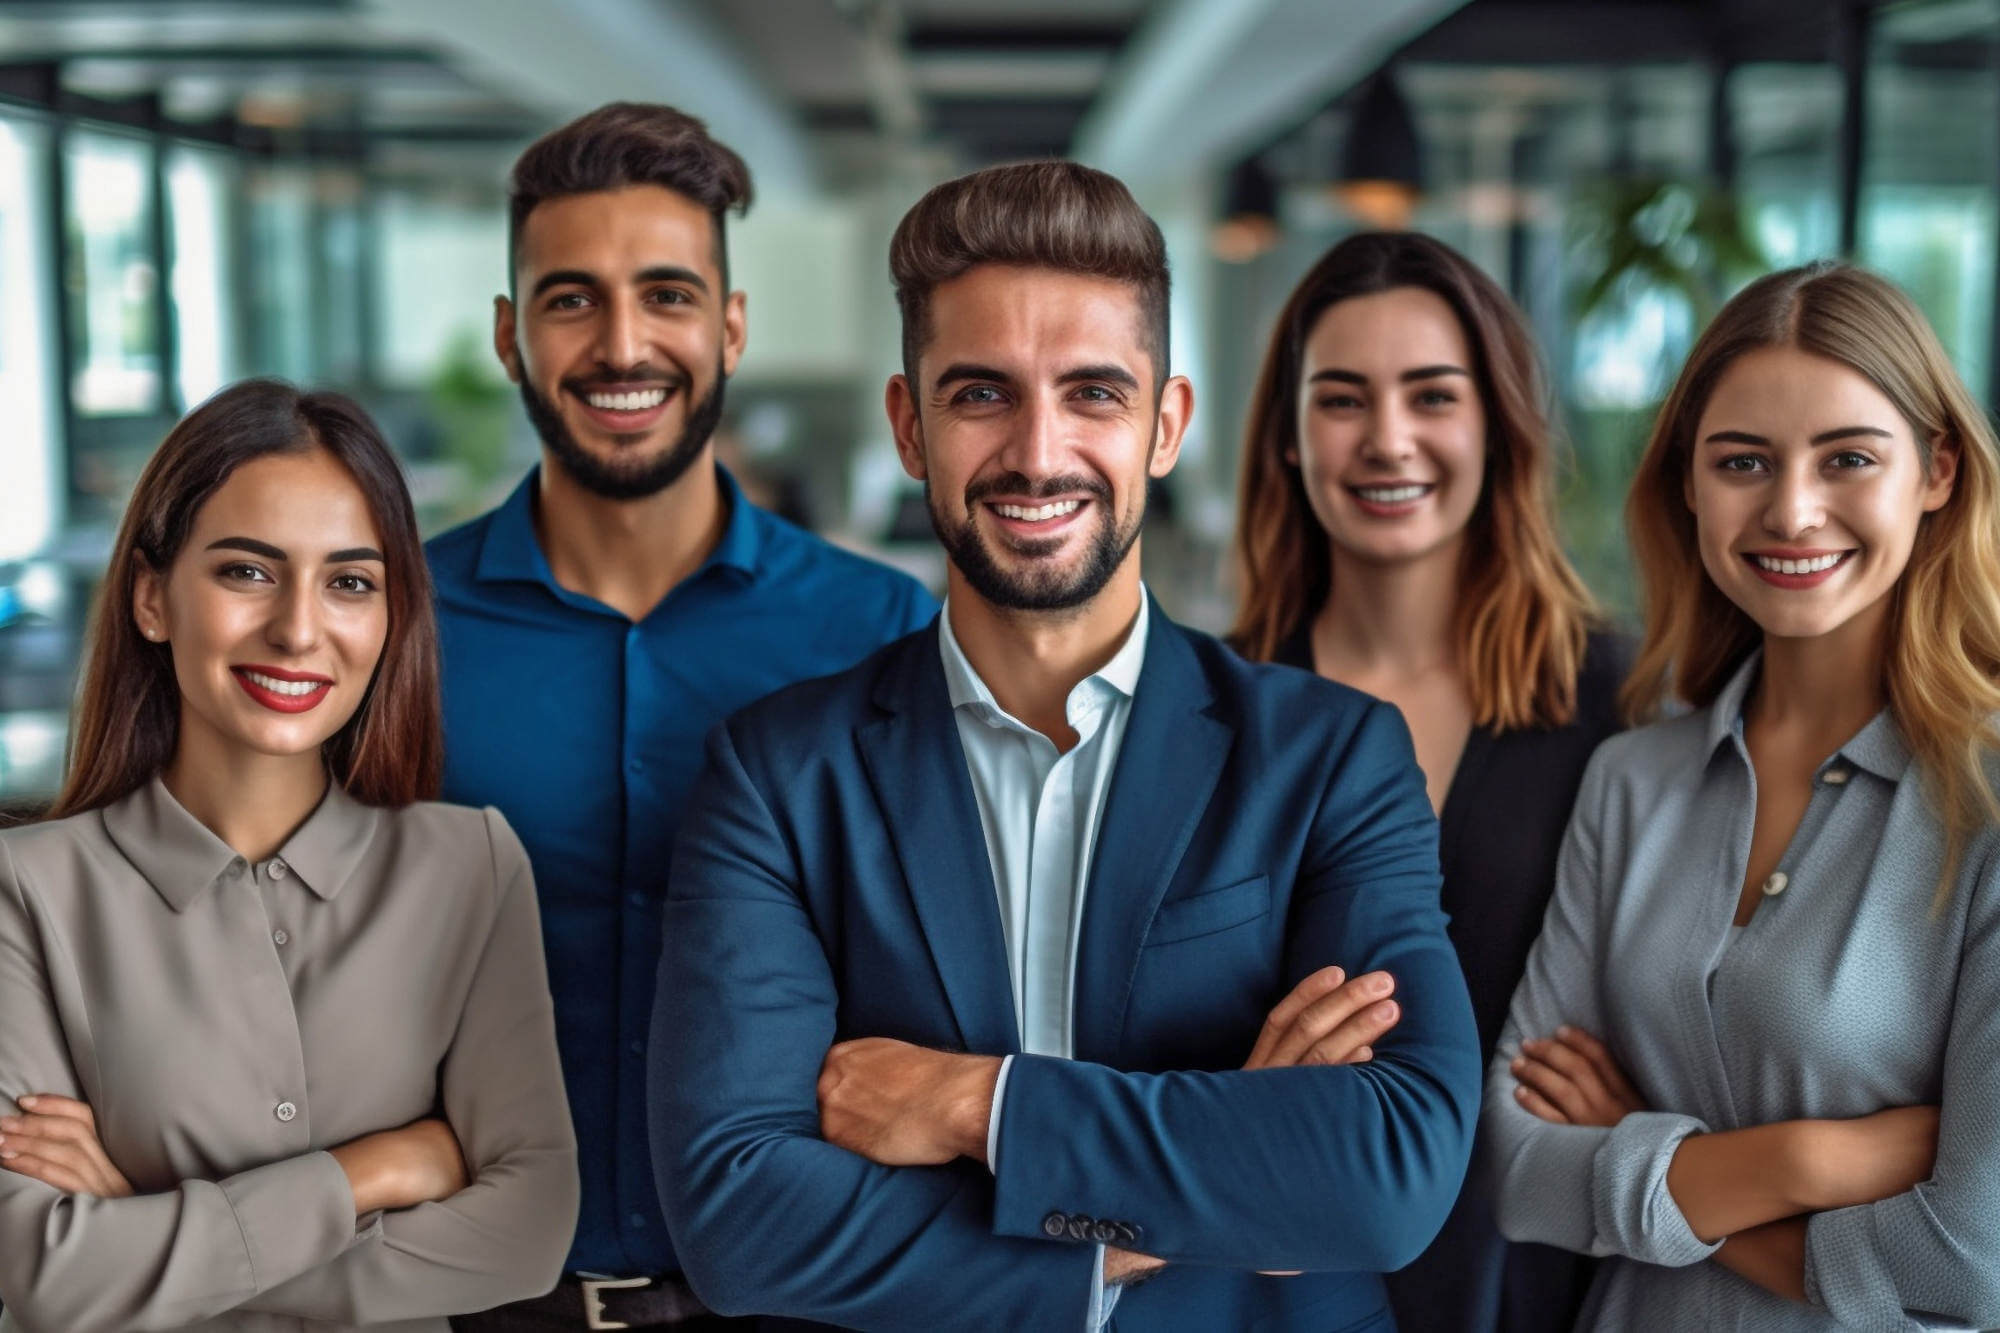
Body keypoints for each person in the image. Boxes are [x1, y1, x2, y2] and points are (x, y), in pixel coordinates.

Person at [649, 160, 1482, 1332]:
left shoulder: (1330, 758)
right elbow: (738, 1218)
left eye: (1092, 392)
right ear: (907, 425)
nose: (1037, 453)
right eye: (980, 393)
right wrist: (1215, 1182)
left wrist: (975, 1106)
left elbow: (1388, 1172)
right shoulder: (780, 775)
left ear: (1165, 425)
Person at [426, 104, 935, 1331]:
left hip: (797, 1298)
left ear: (730, 325)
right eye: (569, 299)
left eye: (665, 294)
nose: (621, 344)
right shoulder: (393, 624)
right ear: (510, 336)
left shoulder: (879, 631)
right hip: (469, 1302)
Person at [0, 379, 577, 1333]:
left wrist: (140, 1234)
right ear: (151, 597)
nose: (300, 629)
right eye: (247, 572)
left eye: (349, 581)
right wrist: (369, 1173)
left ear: (392, 617)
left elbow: (528, 1233)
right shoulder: (26, 889)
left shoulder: (470, 868)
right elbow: (44, 1274)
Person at [1485, 262, 2000, 1328]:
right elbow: (1517, 1162)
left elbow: (1969, 1259)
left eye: (1846, 457)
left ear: (1937, 469)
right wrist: (1817, 1155)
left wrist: (1642, 1151)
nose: (1791, 509)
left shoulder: (1985, 802)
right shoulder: (1628, 780)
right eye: (1741, 462)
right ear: (1686, 482)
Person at [1229, 230, 1619, 1331]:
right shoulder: (1209, 711)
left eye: (1432, 396)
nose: (1386, 440)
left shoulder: (1622, 705)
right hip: (1279, 1282)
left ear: (1496, 427)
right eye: (1341, 399)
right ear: (1288, 440)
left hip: (1540, 1280)